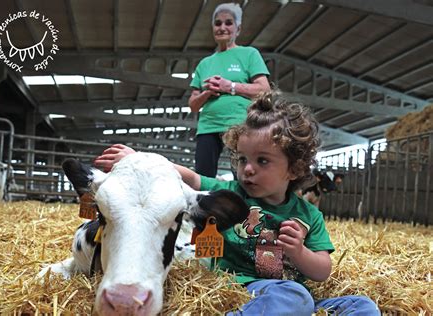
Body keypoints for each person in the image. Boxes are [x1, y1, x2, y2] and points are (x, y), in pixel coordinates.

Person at [94, 89, 380, 315]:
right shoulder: (232, 193)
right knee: (295, 297)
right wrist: (138, 160)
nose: (248, 169)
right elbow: (192, 179)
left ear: (294, 169)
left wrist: (299, 252)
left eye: (262, 160)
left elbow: (322, 271)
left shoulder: (309, 215)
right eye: (242, 159)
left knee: (363, 306)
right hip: (241, 291)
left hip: (291, 301)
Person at [188, 2, 270, 178]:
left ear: (238, 29)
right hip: (208, 127)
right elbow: (193, 105)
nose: (222, 27)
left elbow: (264, 90)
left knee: (244, 175)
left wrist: (230, 86)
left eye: (228, 23)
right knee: (203, 177)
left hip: (240, 125)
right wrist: (206, 92)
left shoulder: (249, 54)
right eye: (217, 23)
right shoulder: (204, 64)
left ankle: (247, 206)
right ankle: (205, 206)